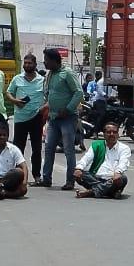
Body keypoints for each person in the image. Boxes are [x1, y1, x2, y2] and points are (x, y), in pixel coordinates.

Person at [39, 47, 82, 190]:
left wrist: (68, 109)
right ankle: (46, 179)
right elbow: (49, 94)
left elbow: (78, 93)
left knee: (68, 149)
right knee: (49, 147)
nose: (44, 63)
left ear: (53, 60)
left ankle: (70, 180)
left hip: (67, 117)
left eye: (46, 60)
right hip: (53, 117)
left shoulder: (67, 73)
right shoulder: (50, 75)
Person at [6, 53, 46, 177]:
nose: (27, 65)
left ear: (35, 64)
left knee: (37, 149)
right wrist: (15, 101)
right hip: (20, 118)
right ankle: (18, 175)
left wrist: (44, 107)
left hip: (36, 118)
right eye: (26, 63)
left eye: (30, 63)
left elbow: (50, 97)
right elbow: (8, 93)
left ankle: (36, 175)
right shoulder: (17, 78)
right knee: (18, 148)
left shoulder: (42, 80)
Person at [74, 121, 130, 199]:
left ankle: (91, 192)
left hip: (112, 179)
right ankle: (109, 192)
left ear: (118, 134)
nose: (111, 134)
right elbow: (86, 158)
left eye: (114, 132)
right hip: (95, 178)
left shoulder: (124, 148)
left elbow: (123, 163)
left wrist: (118, 172)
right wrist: (79, 168)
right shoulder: (97, 145)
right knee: (79, 174)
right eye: (108, 132)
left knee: (123, 179)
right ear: (104, 134)